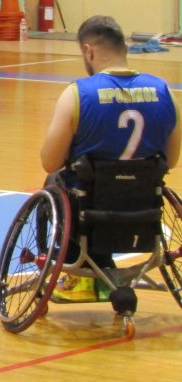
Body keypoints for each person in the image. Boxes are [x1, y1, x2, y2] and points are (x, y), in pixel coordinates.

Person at [39, 15, 180, 300]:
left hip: (90, 208)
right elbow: (172, 159)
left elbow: (49, 161)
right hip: (143, 205)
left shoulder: (77, 94)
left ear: (88, 50)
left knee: (54, 181)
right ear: (125, 48)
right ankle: (104, 268)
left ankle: (77, 271)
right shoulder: (165, 92)